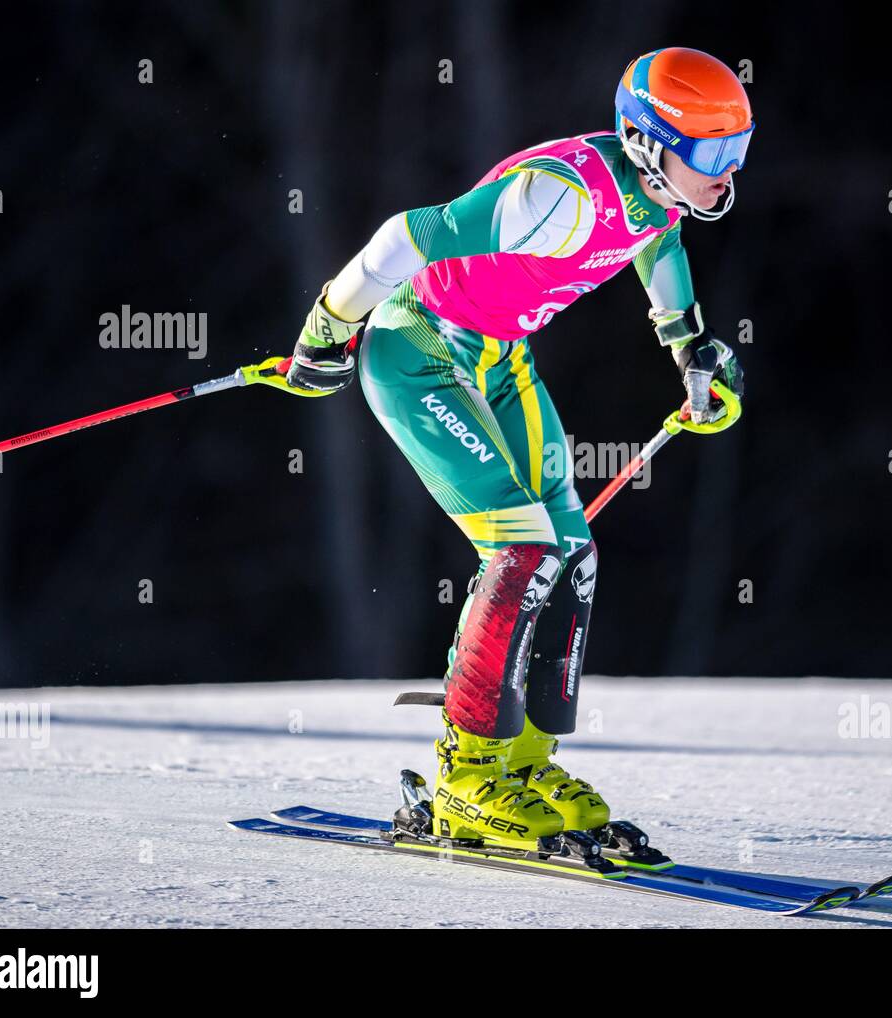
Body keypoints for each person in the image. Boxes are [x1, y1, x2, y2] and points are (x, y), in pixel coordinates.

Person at [284, 47, 751, 850]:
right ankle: (467, 777)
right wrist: (330, 322)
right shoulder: (557, 201)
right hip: (418, 350)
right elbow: (409, 235)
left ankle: (523, 762)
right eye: (711, 153)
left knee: (574, 551)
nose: (726, 172)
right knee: (524, 548)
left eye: (738, 150)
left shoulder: (661, 192)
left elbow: (658, 243)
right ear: (646, 141)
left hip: (499, 356)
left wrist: (691, 351)